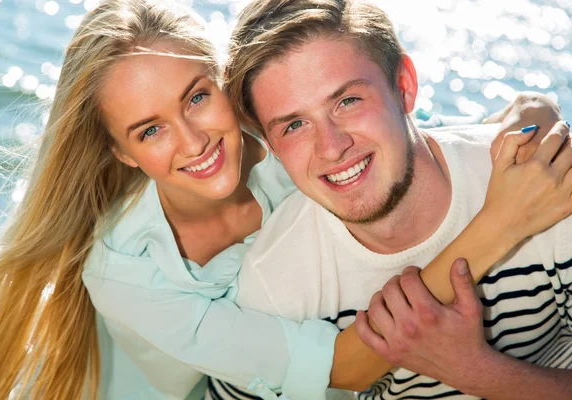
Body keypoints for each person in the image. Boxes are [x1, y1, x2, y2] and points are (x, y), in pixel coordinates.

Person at [0, 1, 567, 399]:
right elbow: (346, 364)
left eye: (197, 97)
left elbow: (393, 131)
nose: (194, 139)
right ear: (123, 153)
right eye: (149, 130)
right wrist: (500, 224)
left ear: (225, 87)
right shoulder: (126, 274)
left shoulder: (291, 144)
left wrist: (528, 118)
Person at [224, 0, 572, 399]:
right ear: (271, 145)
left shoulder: (545, 190)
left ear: (404, 86)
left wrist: (479, 372)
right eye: (295, 125)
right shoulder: (273, 282)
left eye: (347, 101)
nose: (332, 148)